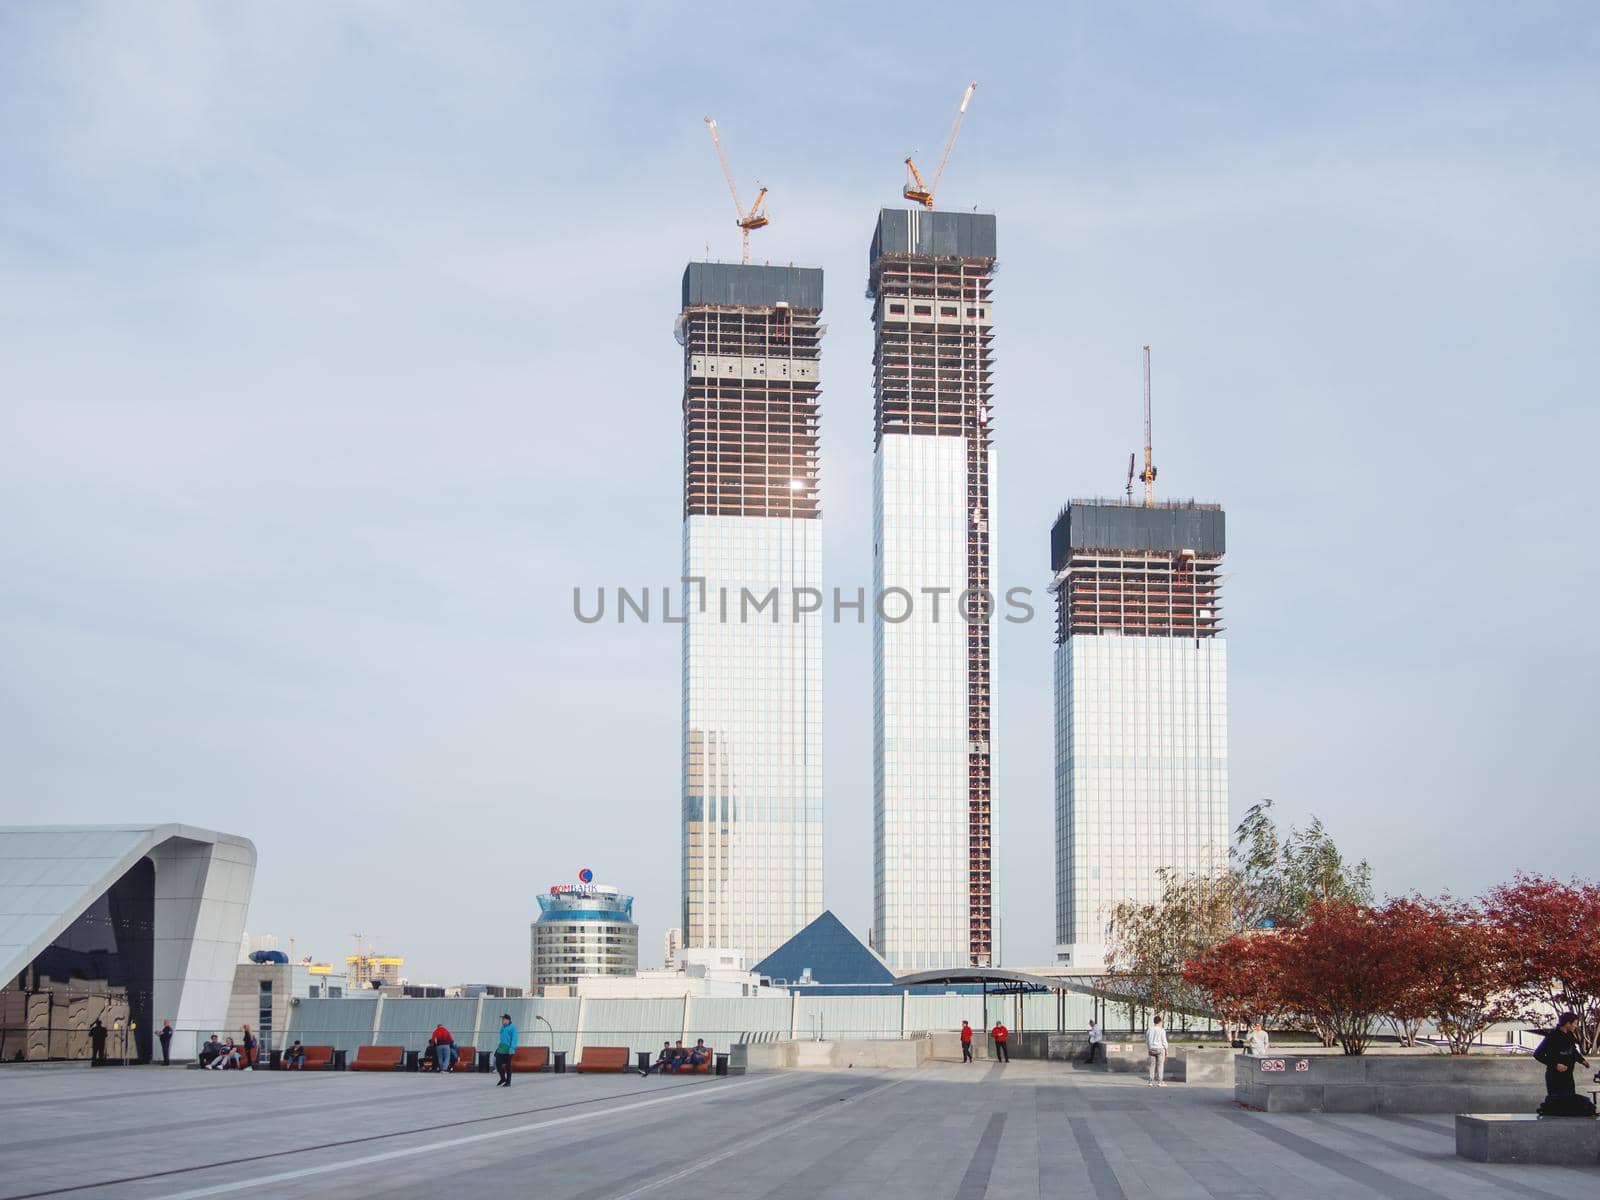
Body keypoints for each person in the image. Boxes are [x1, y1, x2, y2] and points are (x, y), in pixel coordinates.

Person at [1533, 1012, 1592, 1113]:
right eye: (1575, 1023)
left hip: (1568, 1076)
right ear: (1567, 1024)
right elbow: (1538, 1054)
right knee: (1557, 1104)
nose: (1576, 1026)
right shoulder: (1552, 1036)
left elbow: (1573, 1051)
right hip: (1555, 1077)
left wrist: (1582, 1060)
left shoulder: (1569, 1035)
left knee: (1569, 1104)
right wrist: (1555, 1065)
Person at [493, 1014, 518, 1087]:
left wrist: (512, 1048)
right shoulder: (502, 1027)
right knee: (498, 1063)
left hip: (509, 1049)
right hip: (501, 1048)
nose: (502, 1021)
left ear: (508, 1020)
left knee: (508, 1066)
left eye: (503, 1019)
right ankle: (503, 1078)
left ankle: (508, 1082)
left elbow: (514, 1039)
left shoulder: (512, 1028)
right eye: (502, 1019)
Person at [1147, 1016, 1169, 1087]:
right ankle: (1160, 1082)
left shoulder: (1149, 1030)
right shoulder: (1162, 1030)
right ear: (1160, 1022)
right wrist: (1166, 1050)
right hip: (1160, 1048)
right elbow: (1164, 1041)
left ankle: (1150, 1082)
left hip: (1151, 1048)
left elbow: (1147, 1040)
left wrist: (1149, 1048)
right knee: (1160, 1065)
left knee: (1152, 1065)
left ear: (1154, 1022)